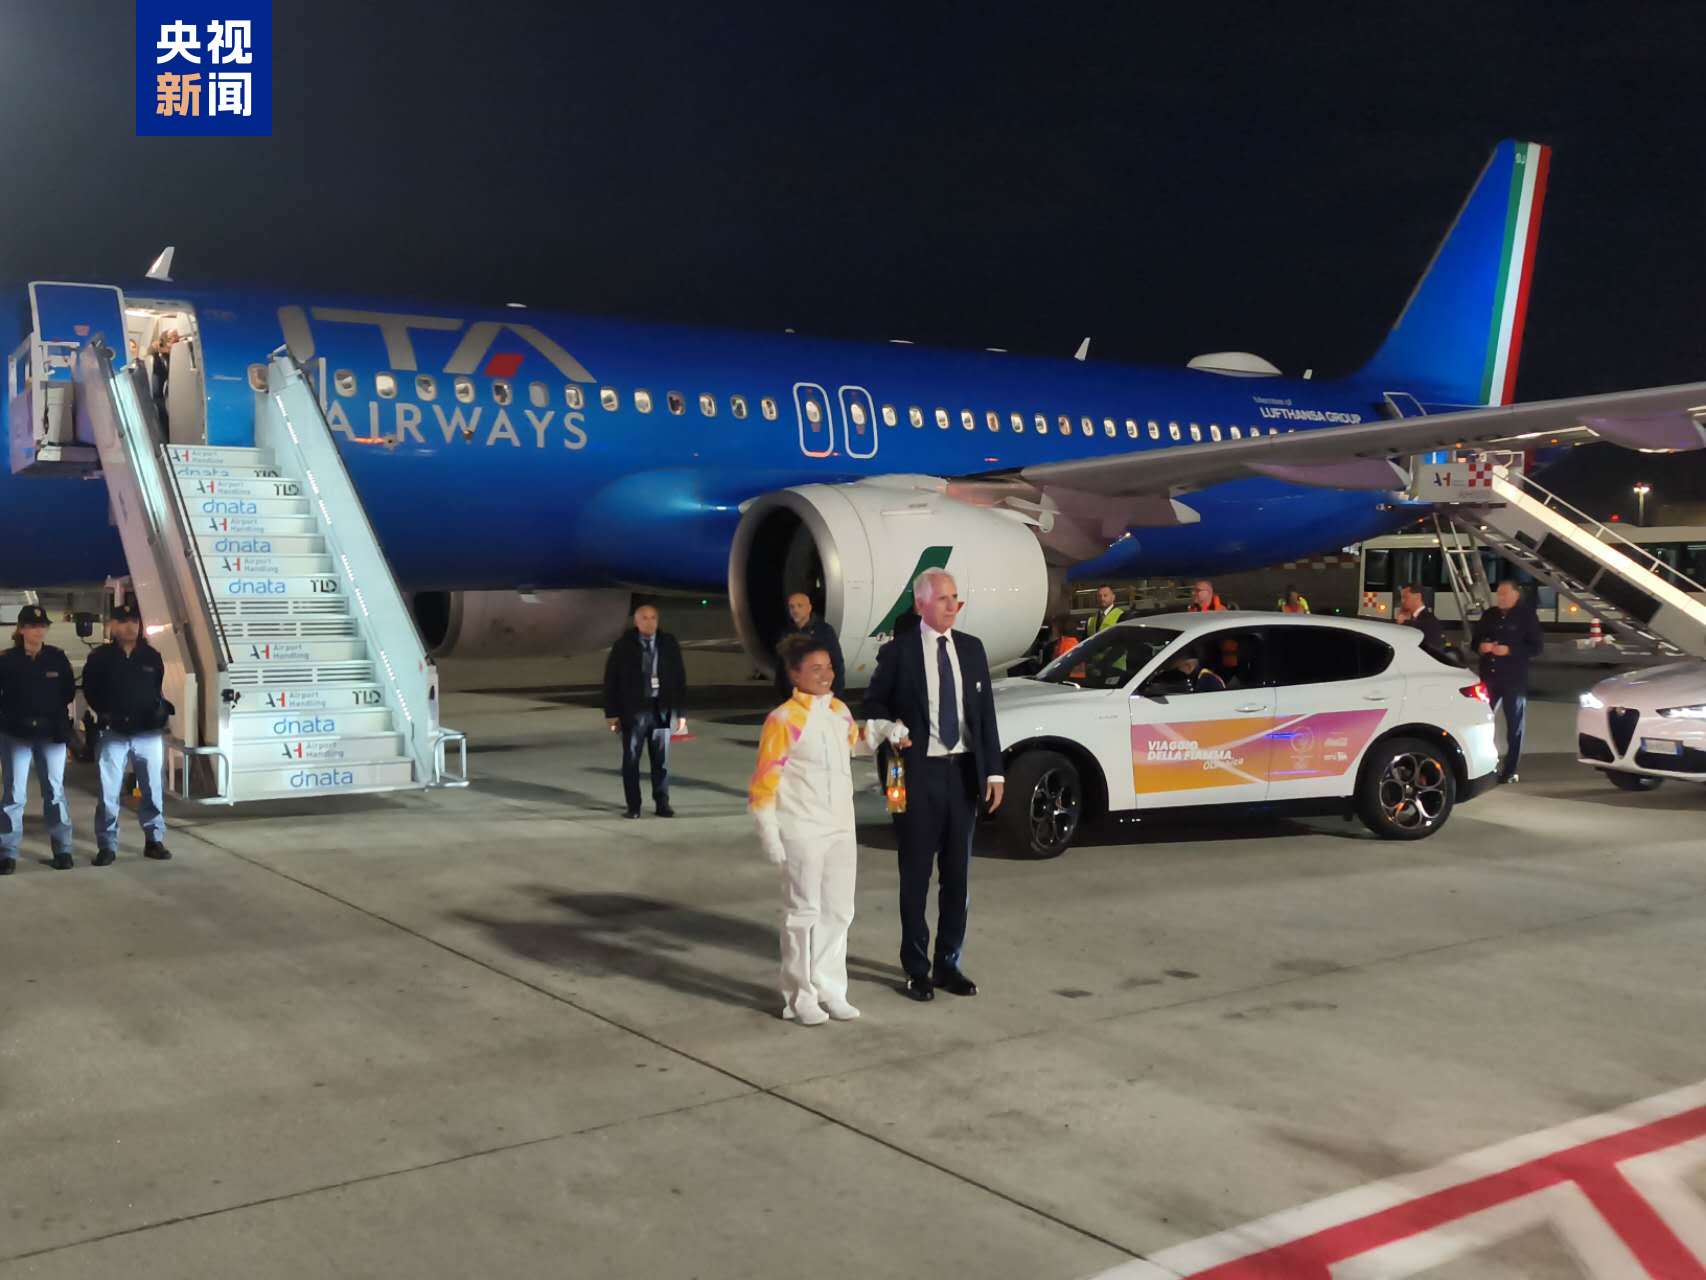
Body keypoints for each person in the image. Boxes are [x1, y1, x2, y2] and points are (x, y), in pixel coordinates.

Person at [750, 634, 909, 1025]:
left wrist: (882, 731)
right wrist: (770, 833)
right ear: (794, 674)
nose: (826, 675)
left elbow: (853, 743)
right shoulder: (783, 720)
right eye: (816, 669)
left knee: (838, 910)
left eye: (829, 667)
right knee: (802, 913)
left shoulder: (838, 710)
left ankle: (830, 989)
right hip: (802, 828)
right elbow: (764, 783)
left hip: (840, 826)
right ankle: (799, 996)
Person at [862, 569, 1004, 1002]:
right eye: (943, 598)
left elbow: (985, 715)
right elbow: (872, 704)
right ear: (921, 603)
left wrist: (994, 772)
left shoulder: (972, 649)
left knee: (957, 875)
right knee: (915, 875)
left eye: (955, 597)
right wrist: (890, 727)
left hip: (962, 774)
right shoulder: (898, 652)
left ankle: (948, 963)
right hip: (912, 775)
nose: (951, 605)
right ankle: (916, 967)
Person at [82, 603, 174, 864]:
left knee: (153, 789)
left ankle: (154, 840)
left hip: (148, 733)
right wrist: (107, 713)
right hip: (113, 733)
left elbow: (156, 688)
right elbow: (90, 690)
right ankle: (107, 845)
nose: (130, 626)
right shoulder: (100, 657)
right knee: (108, 792)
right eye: (122, 621)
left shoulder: (151, 656)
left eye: (134, 620)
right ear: (112, 626)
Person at [0, 605, 76, 872]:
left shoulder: (57, 658)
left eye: (42, 625)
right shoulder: (6, 660)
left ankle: (63, 850)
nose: (38, 630)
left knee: (55, 793)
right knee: (14, 795)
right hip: (16, 734)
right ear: (21, 629)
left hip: (50, 734)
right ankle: (7, 853)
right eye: (32, 626)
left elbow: (68, 692)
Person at [602, 602, 687, 818]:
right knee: (631, 760)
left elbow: (679, 678)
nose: (650, 622)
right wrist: (611, 713)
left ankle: (662, 803)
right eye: (645, 618)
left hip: (661, 710)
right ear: (636, 621)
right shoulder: (624, 645)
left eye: (653, 618)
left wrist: (681, 713)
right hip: (635, 711)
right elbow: (611, 680)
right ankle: (634, 806)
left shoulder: (668, 643)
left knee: (661, 762)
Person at [1471, 580, 1544, 784]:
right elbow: (1474, 642)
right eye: (1498, 594)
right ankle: (1482, 765)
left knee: (1514, 726)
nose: (1500, 598)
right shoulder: (1490, 615)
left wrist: (1510, 650)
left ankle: (1510, 769)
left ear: (1516, 595)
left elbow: (1537, 647)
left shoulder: (1526, 616)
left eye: (1504, 594)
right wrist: (1482, 647)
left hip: (1513, 678)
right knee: (1481, 721)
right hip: (1489, 676)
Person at [772, 592, 844, 700]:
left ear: (809, 608)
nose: (795, 610)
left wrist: (835, 697)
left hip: (818, 697)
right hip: (793, 698)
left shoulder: (824, 631)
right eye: (792, 607)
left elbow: (837, 664)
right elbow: (781, 668)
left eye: (800, 606)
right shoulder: (786, 633)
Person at [1396, 583, 1446, 651]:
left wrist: (1403, 624)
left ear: (1418, 596)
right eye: (1401, 598)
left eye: (1405, 597)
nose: (1402, 601)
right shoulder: (1414, 618)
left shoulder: (1429, 621)